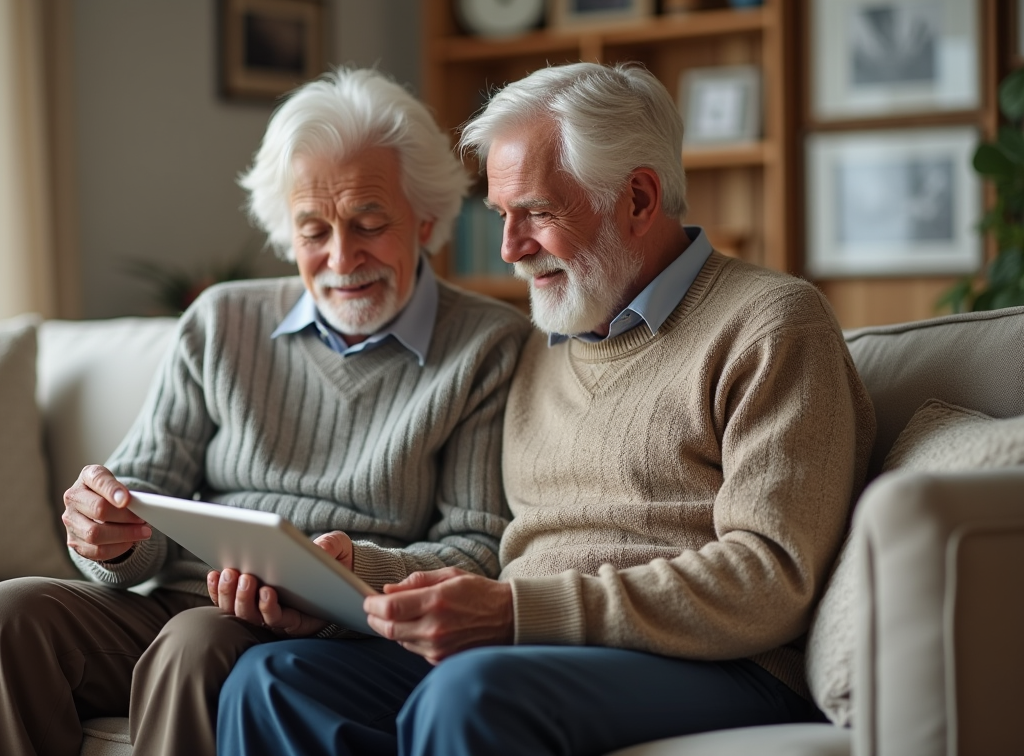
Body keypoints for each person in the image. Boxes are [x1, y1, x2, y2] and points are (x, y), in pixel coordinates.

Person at [214, 62, 877, 756]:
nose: (509, 250)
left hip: (720, 665)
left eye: (535, 213)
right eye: (502, 216)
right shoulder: (540, 347)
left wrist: (519, 612)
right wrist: (349, 574)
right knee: (272, 678)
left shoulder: (773, 324)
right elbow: (498, 556)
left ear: (639, 199)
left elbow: (773, 576)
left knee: (471, 693)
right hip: (528, 644)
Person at [0, 67, 531, 756]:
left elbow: (477, 549)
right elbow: (143, 493)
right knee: (1, 616)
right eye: (314, 231)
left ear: (426, 220)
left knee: (196, 643)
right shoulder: (224, 319)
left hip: (321, 628)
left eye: (370, 224)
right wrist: (110, 533)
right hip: (182, 596)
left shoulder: (488, 346)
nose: (342, 258)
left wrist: (350, 571)